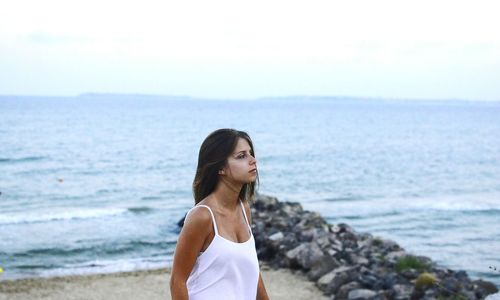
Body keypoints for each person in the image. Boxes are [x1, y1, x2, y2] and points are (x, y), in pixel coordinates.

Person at [170, 128, 270, 300]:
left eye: (251, 153)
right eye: (241, 156)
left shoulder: (244, 210)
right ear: (221, 168)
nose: (253, 160)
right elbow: (177, 281)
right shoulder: (202, 216)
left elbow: (252, 272)